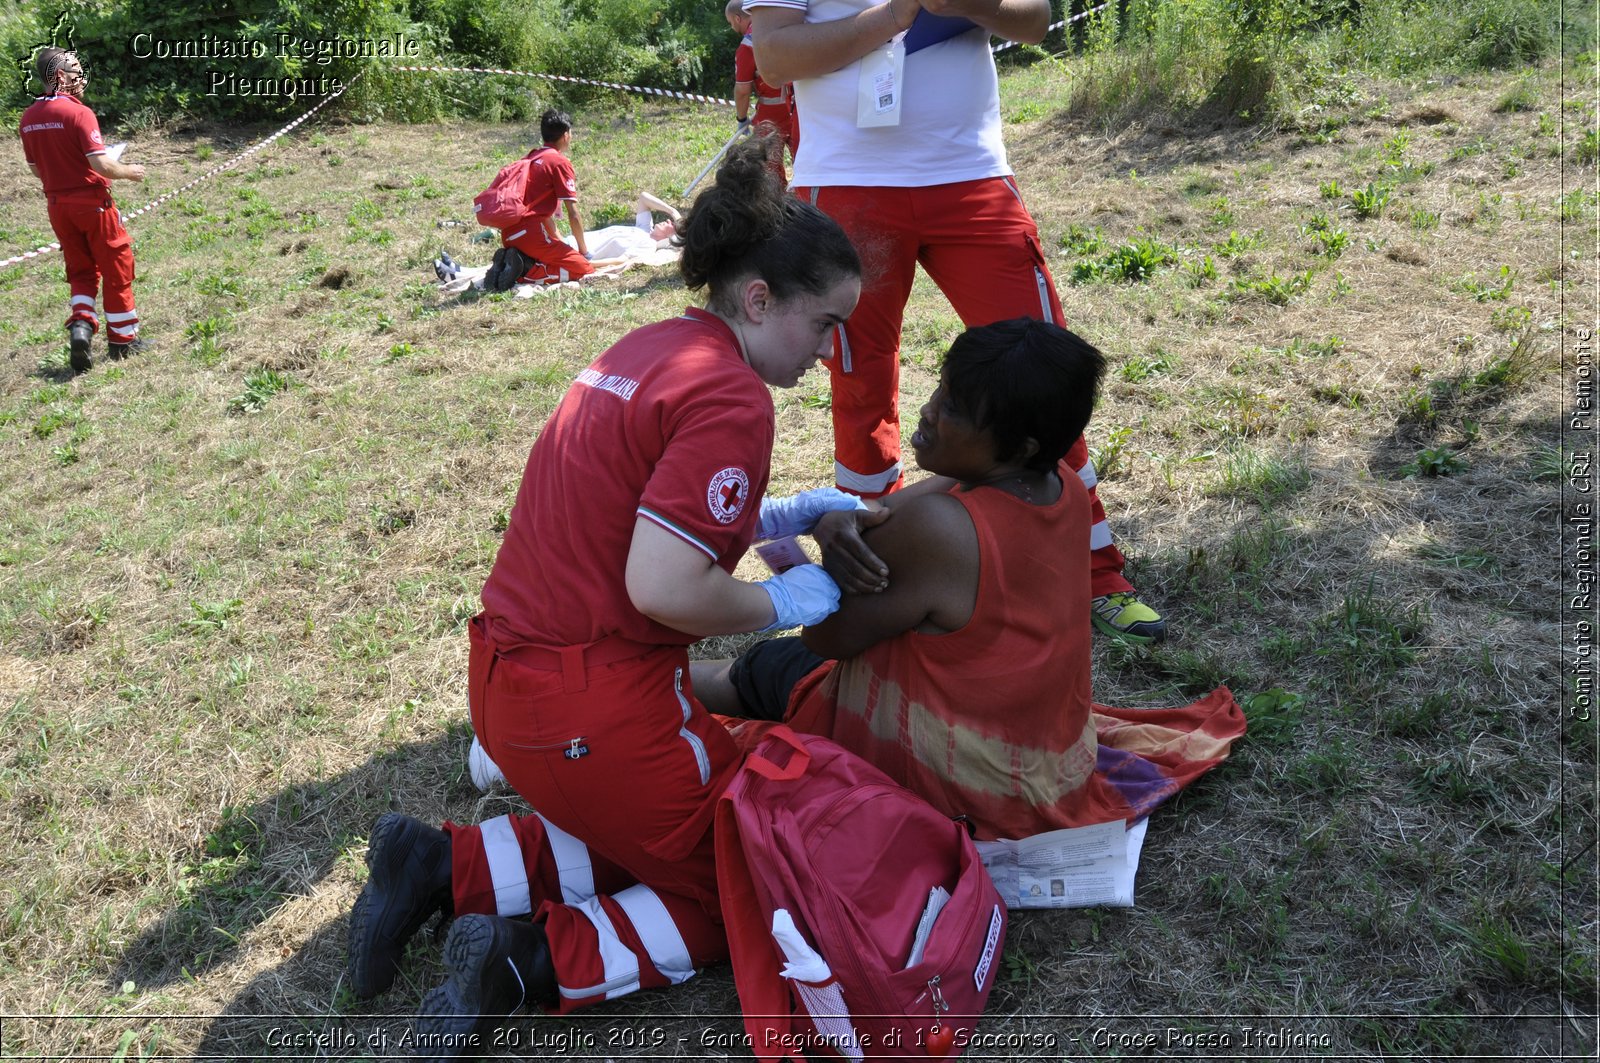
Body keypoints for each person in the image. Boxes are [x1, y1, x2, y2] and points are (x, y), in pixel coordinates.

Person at [345, 136, 873, 1056]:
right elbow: (665, 583)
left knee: (655, 831)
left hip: (513, 687)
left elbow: (632, 510)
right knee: (746, 884)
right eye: (826, 324)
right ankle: (527, 959)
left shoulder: (655, 345)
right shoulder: (735, 400)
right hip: (600, 708)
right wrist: (786, 603)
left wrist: (776, 512)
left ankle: (441, 863)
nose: (833, 353)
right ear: (759, 298)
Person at [693, 319, 1243, 841]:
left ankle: (644, 682)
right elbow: (881, 512)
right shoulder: (1062, 484)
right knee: (777, 668)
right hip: (1041, 763)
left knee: (766, 668)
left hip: (961, 781)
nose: (929, 412)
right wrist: (843, 519)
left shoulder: (940, 529)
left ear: (1019, 446)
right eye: (941, 390)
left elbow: (825, 637)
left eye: (953, 407)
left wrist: (831, 553)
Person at [746, 0, 1168, 642]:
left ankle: (1095, 572)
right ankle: (882, 563)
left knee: (1045, 371)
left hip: (972, 173)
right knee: (861, 392)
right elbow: (774, 55)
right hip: (847, 184)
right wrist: (898, 14)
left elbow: (1034, 19)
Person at [19, 47, 148, 373]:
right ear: (60, 76)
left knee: (80, 270)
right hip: (93, 206)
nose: (81, 78)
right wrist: (129, 170)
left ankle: (81, 325)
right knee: (117, 265)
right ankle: (123, 340)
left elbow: (36, 169)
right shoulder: (79, 113)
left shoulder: (29, 118)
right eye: (76, 72)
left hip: (57, 207)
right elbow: (101, 163)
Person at [486, 109, 593, 291]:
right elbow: (573, 214)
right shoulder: (559, 162)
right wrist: (584, 252)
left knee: (558, 255)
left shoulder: (531, 157)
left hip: (509, 234)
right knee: (584, 269)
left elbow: (542, 214)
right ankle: (524, 273)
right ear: (566, 135)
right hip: (532, 234)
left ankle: (514, 261)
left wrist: (561, 244)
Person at [727, 0, 798, 182]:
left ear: (737, 18)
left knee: (769, 165)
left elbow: (742, 90)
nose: (732, 27)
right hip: (800, 105)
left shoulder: (747, 46)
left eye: (731, 23)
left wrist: (741, 119)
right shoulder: (784, 28)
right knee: (806, 159)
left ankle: (775, 202)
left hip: (772, 113)